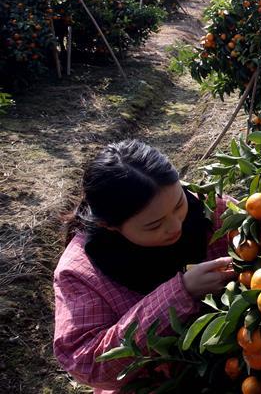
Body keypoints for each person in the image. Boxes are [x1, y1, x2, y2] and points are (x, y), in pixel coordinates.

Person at [53, 140, 233, 393]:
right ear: (111, 226)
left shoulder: (209, 210)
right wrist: (180, 294)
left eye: (179, 205)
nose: (175, 226)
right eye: (154, 225)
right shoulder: (81, 272)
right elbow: (88, 365)